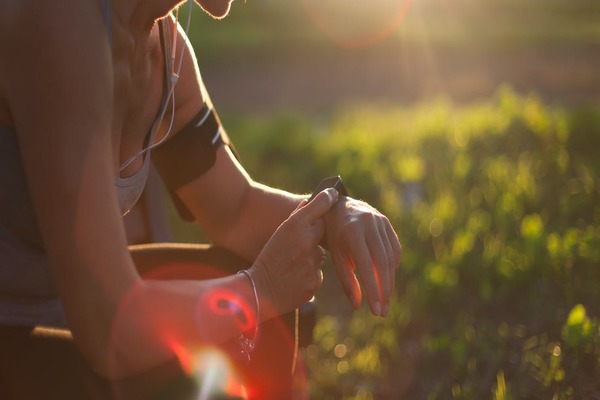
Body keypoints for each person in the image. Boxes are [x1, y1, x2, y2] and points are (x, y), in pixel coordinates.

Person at [0, 0, 401, 398]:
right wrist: (259, 289)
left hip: (56, 302)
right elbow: (107, 326)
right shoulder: (60, 21)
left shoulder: (164, 49)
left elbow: (236, 210)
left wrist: (335, 211)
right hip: (25, 324)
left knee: (244, 295)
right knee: (186, 360)